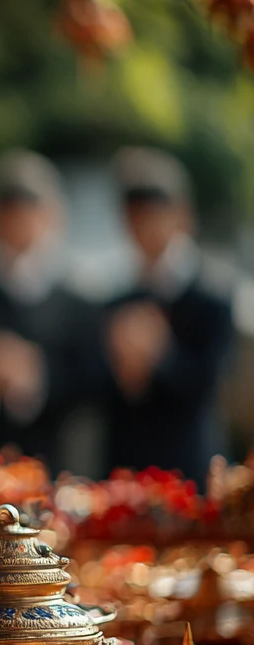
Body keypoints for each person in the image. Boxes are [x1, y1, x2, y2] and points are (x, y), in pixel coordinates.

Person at [102, 147, 235, 485]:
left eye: (154, 215)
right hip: (128, 469)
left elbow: (210, 383)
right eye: (135, 218)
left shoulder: (213, 294)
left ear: (182, 215)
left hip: (189, 467)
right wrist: (124, 366)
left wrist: (159, 356)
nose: (144, 229)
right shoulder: (118, 298)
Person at [0, 151, 102, 473]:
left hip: (59, 464)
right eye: (9, 213)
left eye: (29, 212)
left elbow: (95, 385)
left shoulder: (79, 304)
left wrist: (37, 375)